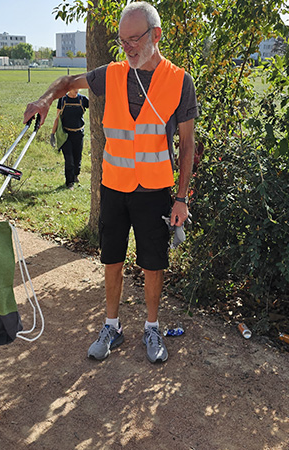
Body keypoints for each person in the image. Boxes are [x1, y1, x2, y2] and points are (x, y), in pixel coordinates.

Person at [25, 2, 198, 363]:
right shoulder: (111, 73)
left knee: (153, 262)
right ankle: (112, 326)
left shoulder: (180, 81)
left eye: (135, 39)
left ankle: (151, 328)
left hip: (154, 190)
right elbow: (66, 83)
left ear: (156, 35)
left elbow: (186, 146)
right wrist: (43, 100)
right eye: (123, 41)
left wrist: (181, 198)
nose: (129, 47)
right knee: (112, 258)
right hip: (114, 186)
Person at [50, 88, 89, 189]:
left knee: (77, 159)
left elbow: (96, 108)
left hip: (79, 133)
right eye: (74, 88)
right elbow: (57, 118)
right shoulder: (63, 100)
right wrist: (52, 134)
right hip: (65, 135)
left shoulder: (83, 100)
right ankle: (69, 182)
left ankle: (75, 175)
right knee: (69, 160)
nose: (76, 90)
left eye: (78, 88)